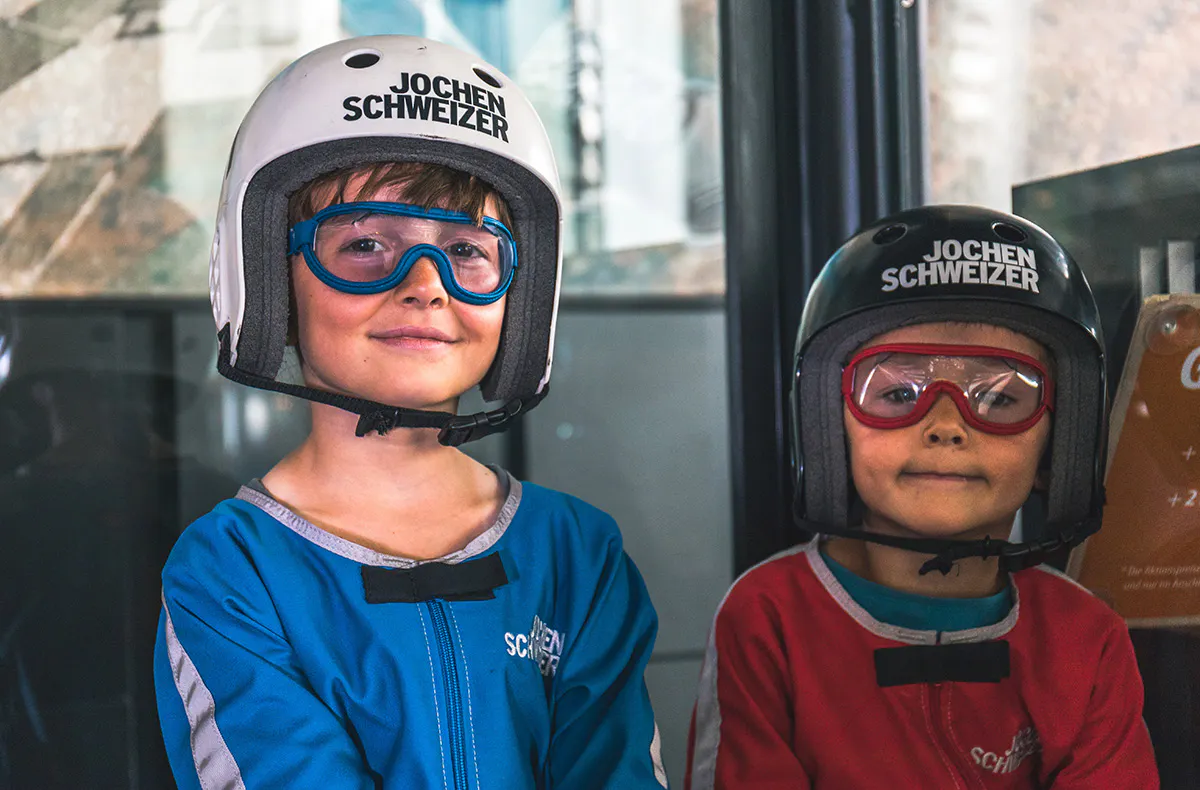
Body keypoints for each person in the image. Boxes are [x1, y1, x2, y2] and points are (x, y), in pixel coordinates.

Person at [154, 35, 668, 789]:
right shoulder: (231, 571)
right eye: (365, 242)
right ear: (267, 281)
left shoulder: (576, 552)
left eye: (467, 252)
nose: (426, 285)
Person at [685, 205, 1159, 789]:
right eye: (897, 391)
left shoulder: (1084, 636)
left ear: (1058, 446)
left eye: (999, 398)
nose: (946, 426)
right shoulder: (769, 618)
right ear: (829, 432)